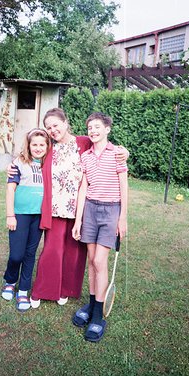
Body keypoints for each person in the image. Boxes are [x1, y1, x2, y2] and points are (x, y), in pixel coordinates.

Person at [7, 108, 129, 308]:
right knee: (52, 251)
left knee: (74, 254)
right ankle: (42, 291)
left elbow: (106, 145)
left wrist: (125, 152)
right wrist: (12, 167)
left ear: (65, 123)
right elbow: (29, 157)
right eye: (49, 127)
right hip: (55, 209)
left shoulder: (83, 142)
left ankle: (65, 290)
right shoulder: (49, 149)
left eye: (56, 125)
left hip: (81, 211)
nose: (53, 130)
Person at [72, 112, 128, 342]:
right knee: (92, 260)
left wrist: (122, 218)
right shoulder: (85, 156)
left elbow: (124, 187)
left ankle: (98, 316)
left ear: (107, 129)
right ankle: (93, 303)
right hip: (90, 211)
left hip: (110, 210)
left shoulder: (117, 154)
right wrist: (78, 220)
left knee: (99, 262)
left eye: (97, 127)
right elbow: (83, 189)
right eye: (89, 128)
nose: (92, 131)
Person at [1, 128, 51, 312]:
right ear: (28, 146)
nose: (38, 148)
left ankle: (23, 290)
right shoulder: (19, 163)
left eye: (42, 145)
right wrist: (10, 215)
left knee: (30, 254)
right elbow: (10, 190)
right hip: (20, 215)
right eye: (34, 144)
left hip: (38, 216)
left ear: (47, 146)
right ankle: (10, 281)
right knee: (17, 255)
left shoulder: (49, 163)